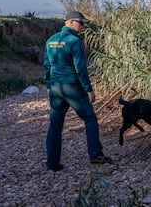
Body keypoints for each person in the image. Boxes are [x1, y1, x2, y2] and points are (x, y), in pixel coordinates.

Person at [43, 10, 112, 171]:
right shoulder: (75, 41)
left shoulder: (50, 40)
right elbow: (81, 68)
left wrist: (49, 84)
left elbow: (46, 65)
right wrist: (89, 89)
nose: (83, 27)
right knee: (90, 118)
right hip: (72, 85)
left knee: (55, 125)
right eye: (81, 23)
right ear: (71, 22)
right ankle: (96, 155)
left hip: (56, 86)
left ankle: (52, 163)